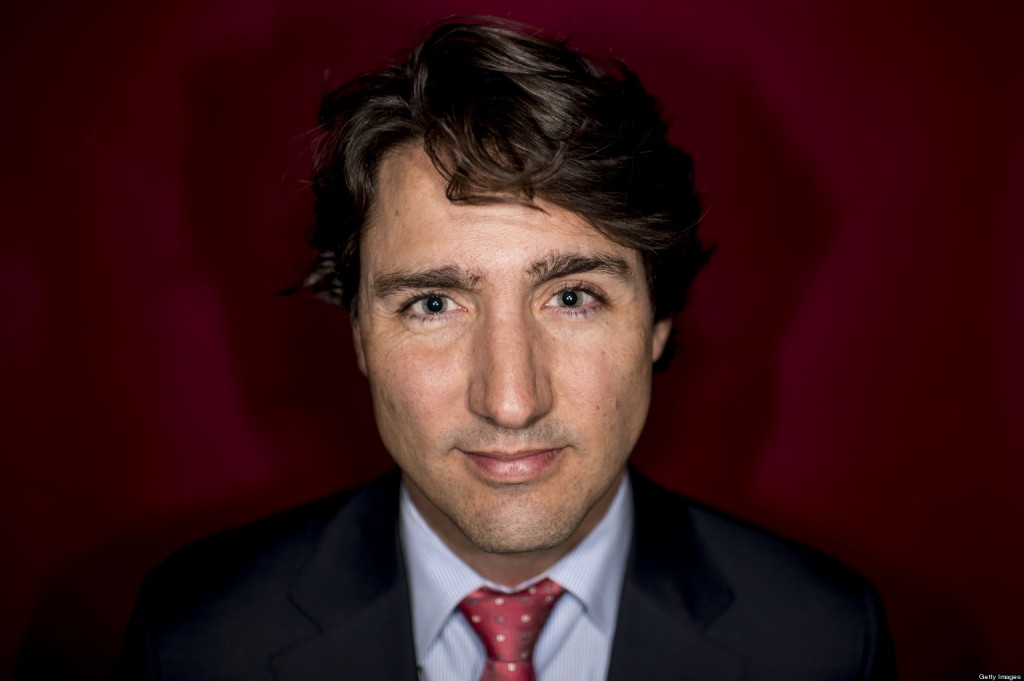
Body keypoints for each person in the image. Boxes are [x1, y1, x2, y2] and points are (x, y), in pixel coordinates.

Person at [118, 18, 897, 680]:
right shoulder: (195, 638)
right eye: (433, 303)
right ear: (357, 332)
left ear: (659, 321)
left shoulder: (826, 639)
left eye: (571, 297)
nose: (511, 399)